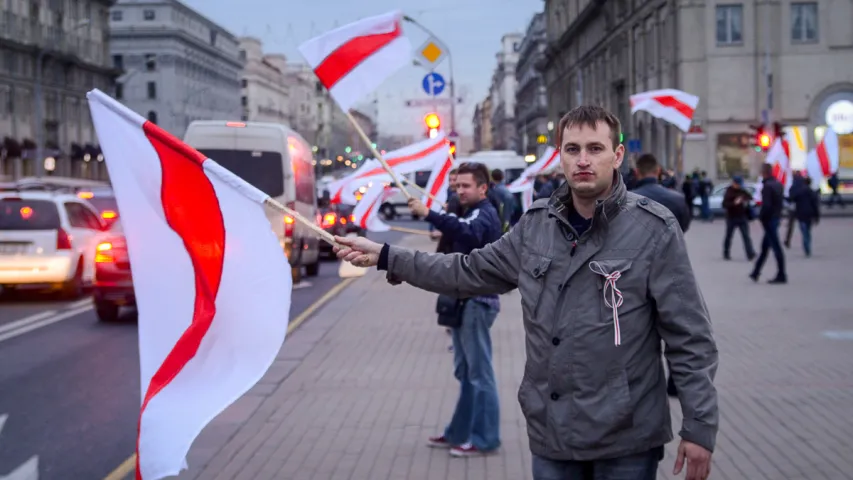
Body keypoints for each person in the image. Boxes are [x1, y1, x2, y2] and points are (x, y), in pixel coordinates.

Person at [335, 105, 718, 480]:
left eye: (595, 148)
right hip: (553, 433)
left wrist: (699, 427)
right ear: (561, 157)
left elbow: (690, 337)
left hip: (626, 437)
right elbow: (467, 270)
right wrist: (387, 255)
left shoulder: (653, 228)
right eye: (572, 149)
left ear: (617, 155)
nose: (583, 160)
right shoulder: (536, 226)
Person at [409, 161, 504, 458]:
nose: (460, 191)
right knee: (466, 373)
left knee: (480, 374)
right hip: (465, 301)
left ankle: (485, 438)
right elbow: (452, 251)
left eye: (466, 186)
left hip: (478, 301)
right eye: (457, 186)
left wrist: (430, 215)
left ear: (483, 188)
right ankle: (459, 433)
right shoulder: (468, 212)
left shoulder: (483, 213)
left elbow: (470, 232)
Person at [631, 153, 690, 232]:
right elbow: (683, 228)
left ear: (636, 172)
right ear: (658, 171)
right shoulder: (678, 199)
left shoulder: (628, 200)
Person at [750, 163, 787, 284]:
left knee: (775, 247)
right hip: (775, 218)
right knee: (765, 247)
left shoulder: (767, 186)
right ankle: (755, 272)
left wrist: (761, 217)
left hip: (769, 220)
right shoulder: (778, 184)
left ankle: (781, 274)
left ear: (764, 172)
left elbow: (766, 205)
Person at [721, 176, 756, 261]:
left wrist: (745, 199)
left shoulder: (742, 191)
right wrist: (734, 203)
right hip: (731, 217)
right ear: (734, 183)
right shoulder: (729, 191)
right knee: (729, 236)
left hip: (742, 217)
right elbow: (724, 204)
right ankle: (726, 253)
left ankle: (750, 253)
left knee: (746, 236)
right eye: (738, 184)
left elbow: (750, 197)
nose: (739, 186)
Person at [788, 176, 821, 257]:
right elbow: (815, 205)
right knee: (808, 231)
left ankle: (806, 247)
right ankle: (807, 246)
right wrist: (817, 216)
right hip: (809, 214)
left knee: (804, 231)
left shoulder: (799, 192)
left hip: (801, 214)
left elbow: (792, 199)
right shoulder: (812, 192)